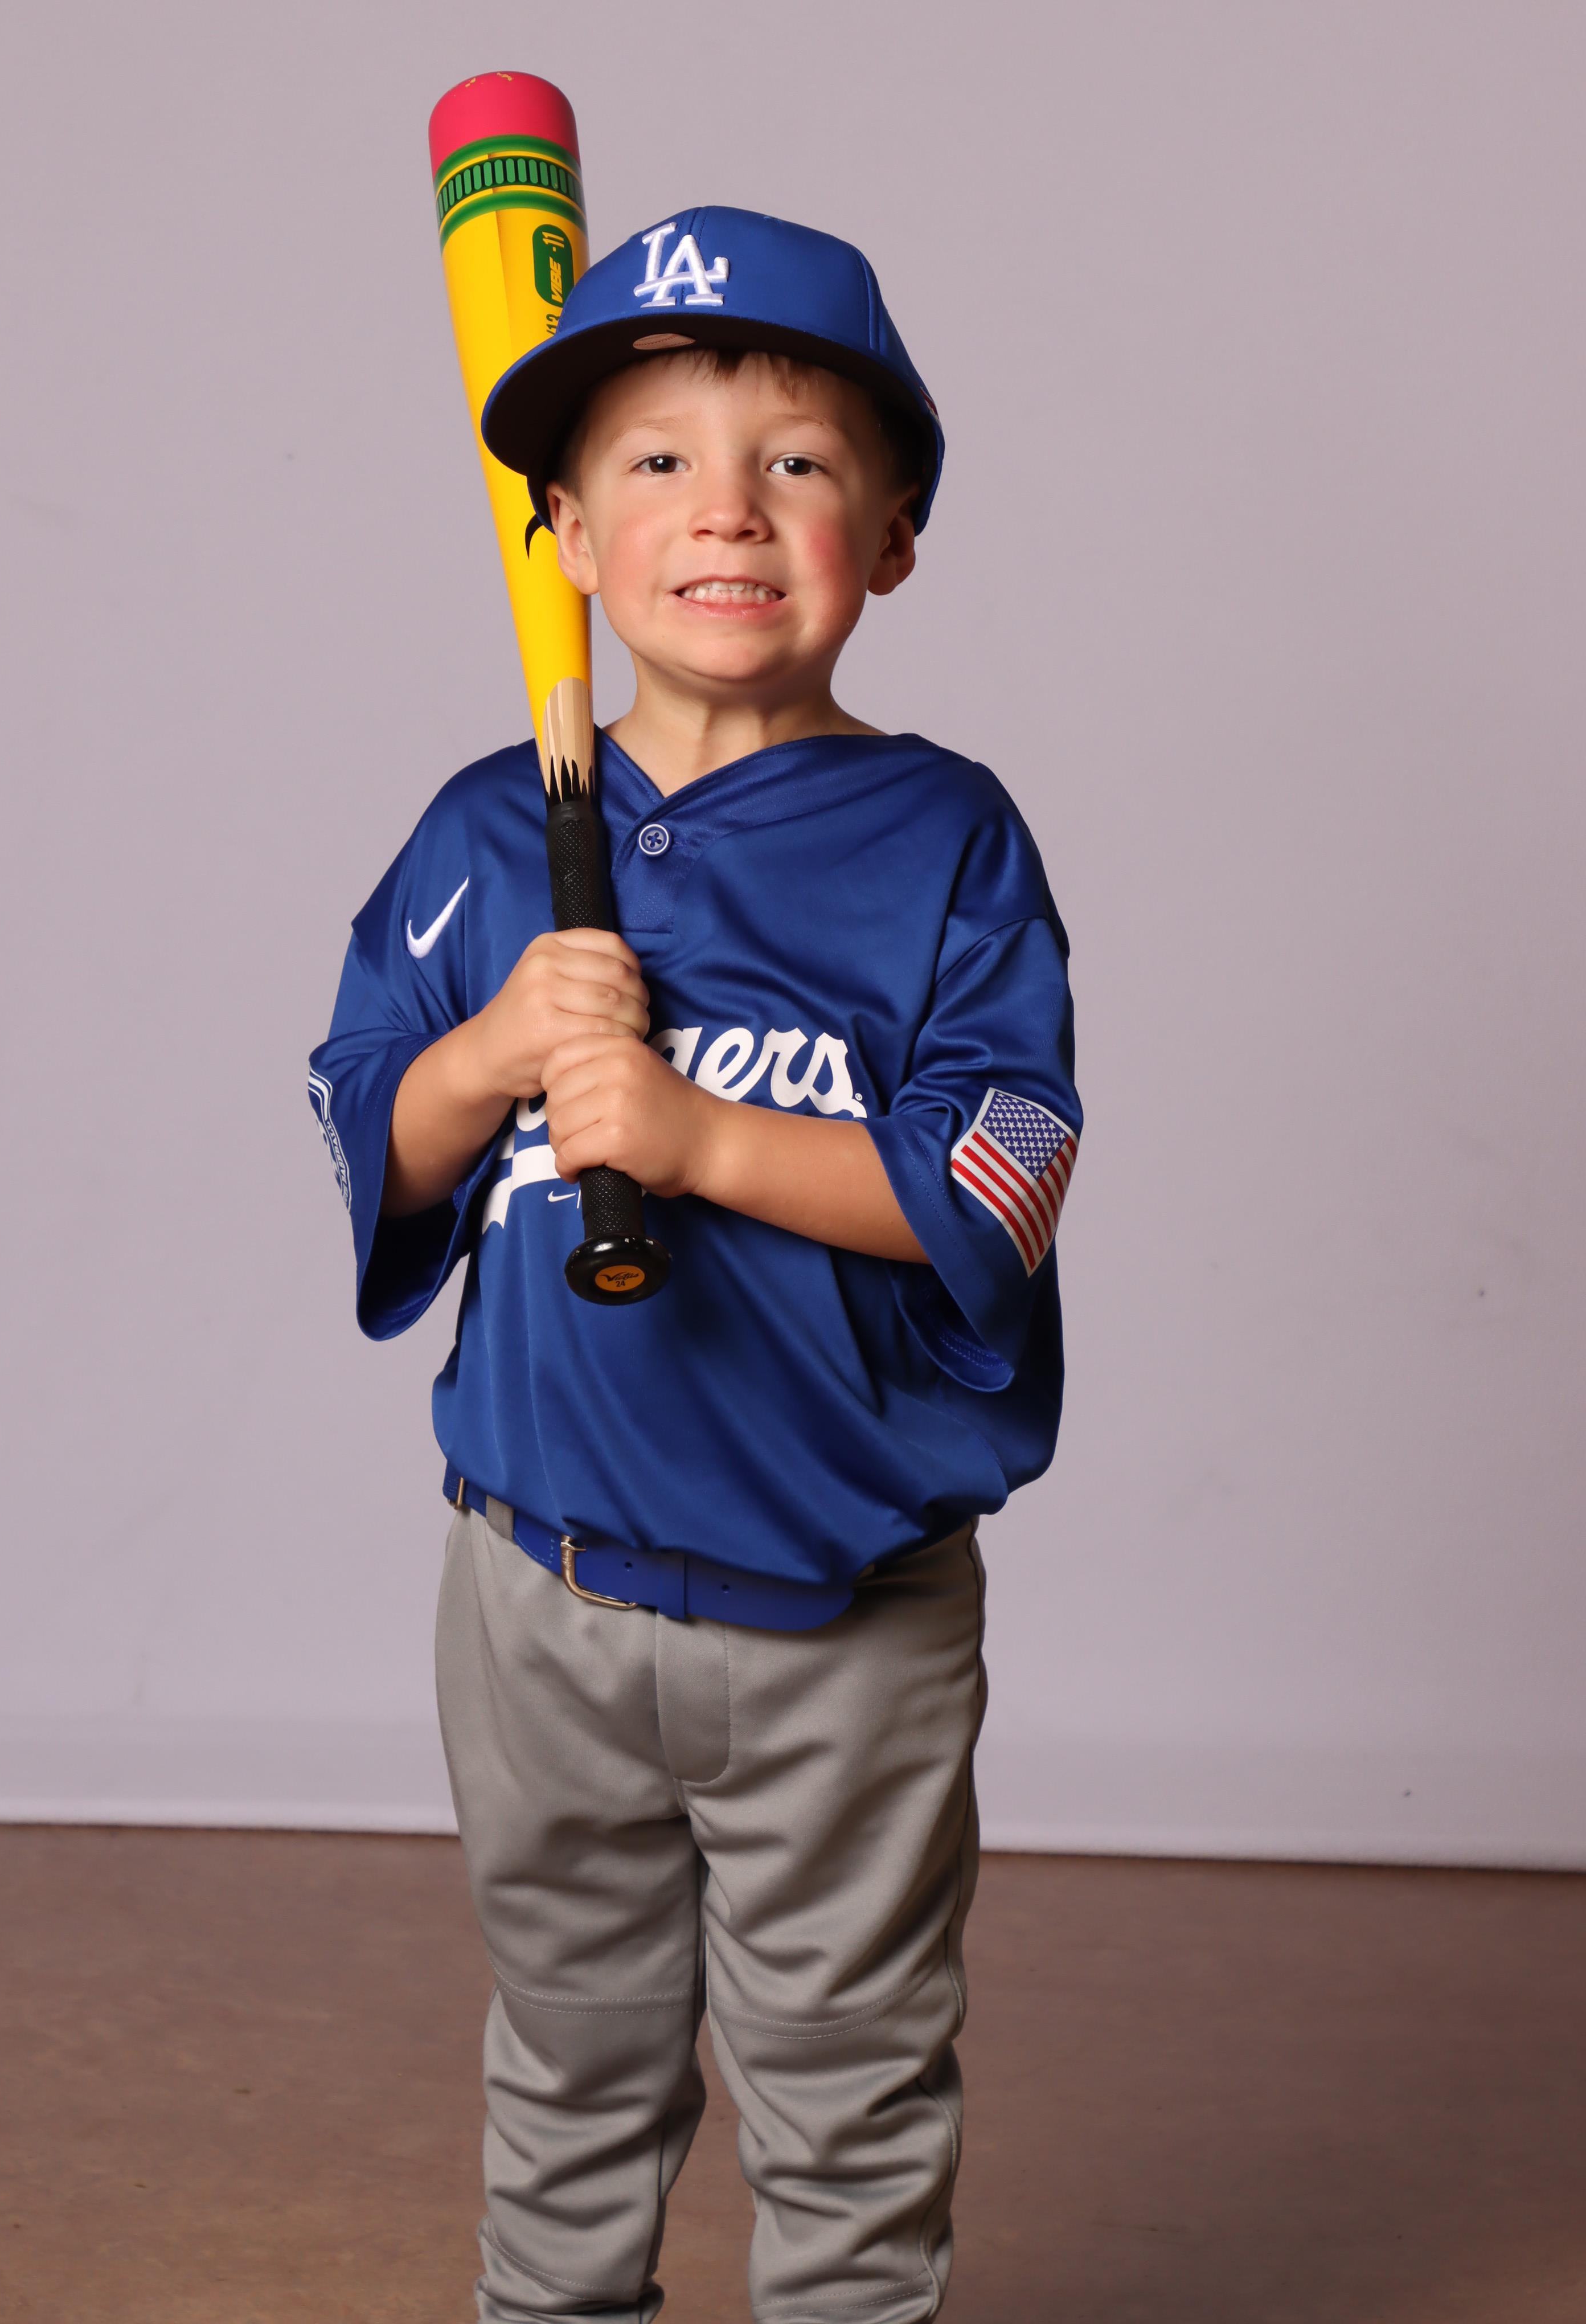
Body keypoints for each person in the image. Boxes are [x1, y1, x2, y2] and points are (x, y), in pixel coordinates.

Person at [308, 207, 1080, 2324]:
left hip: (841, 1609)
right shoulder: (487, 835)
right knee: (569, 2061)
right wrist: (492, 1053)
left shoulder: (946, 841)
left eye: (797, 463)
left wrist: (698, 1138)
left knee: (847, 2086)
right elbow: (375, 1122)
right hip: (533, 1590)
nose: (726, 509)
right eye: (655, 461)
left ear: (891, 536)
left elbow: (1002, 1178)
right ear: (562, 534)